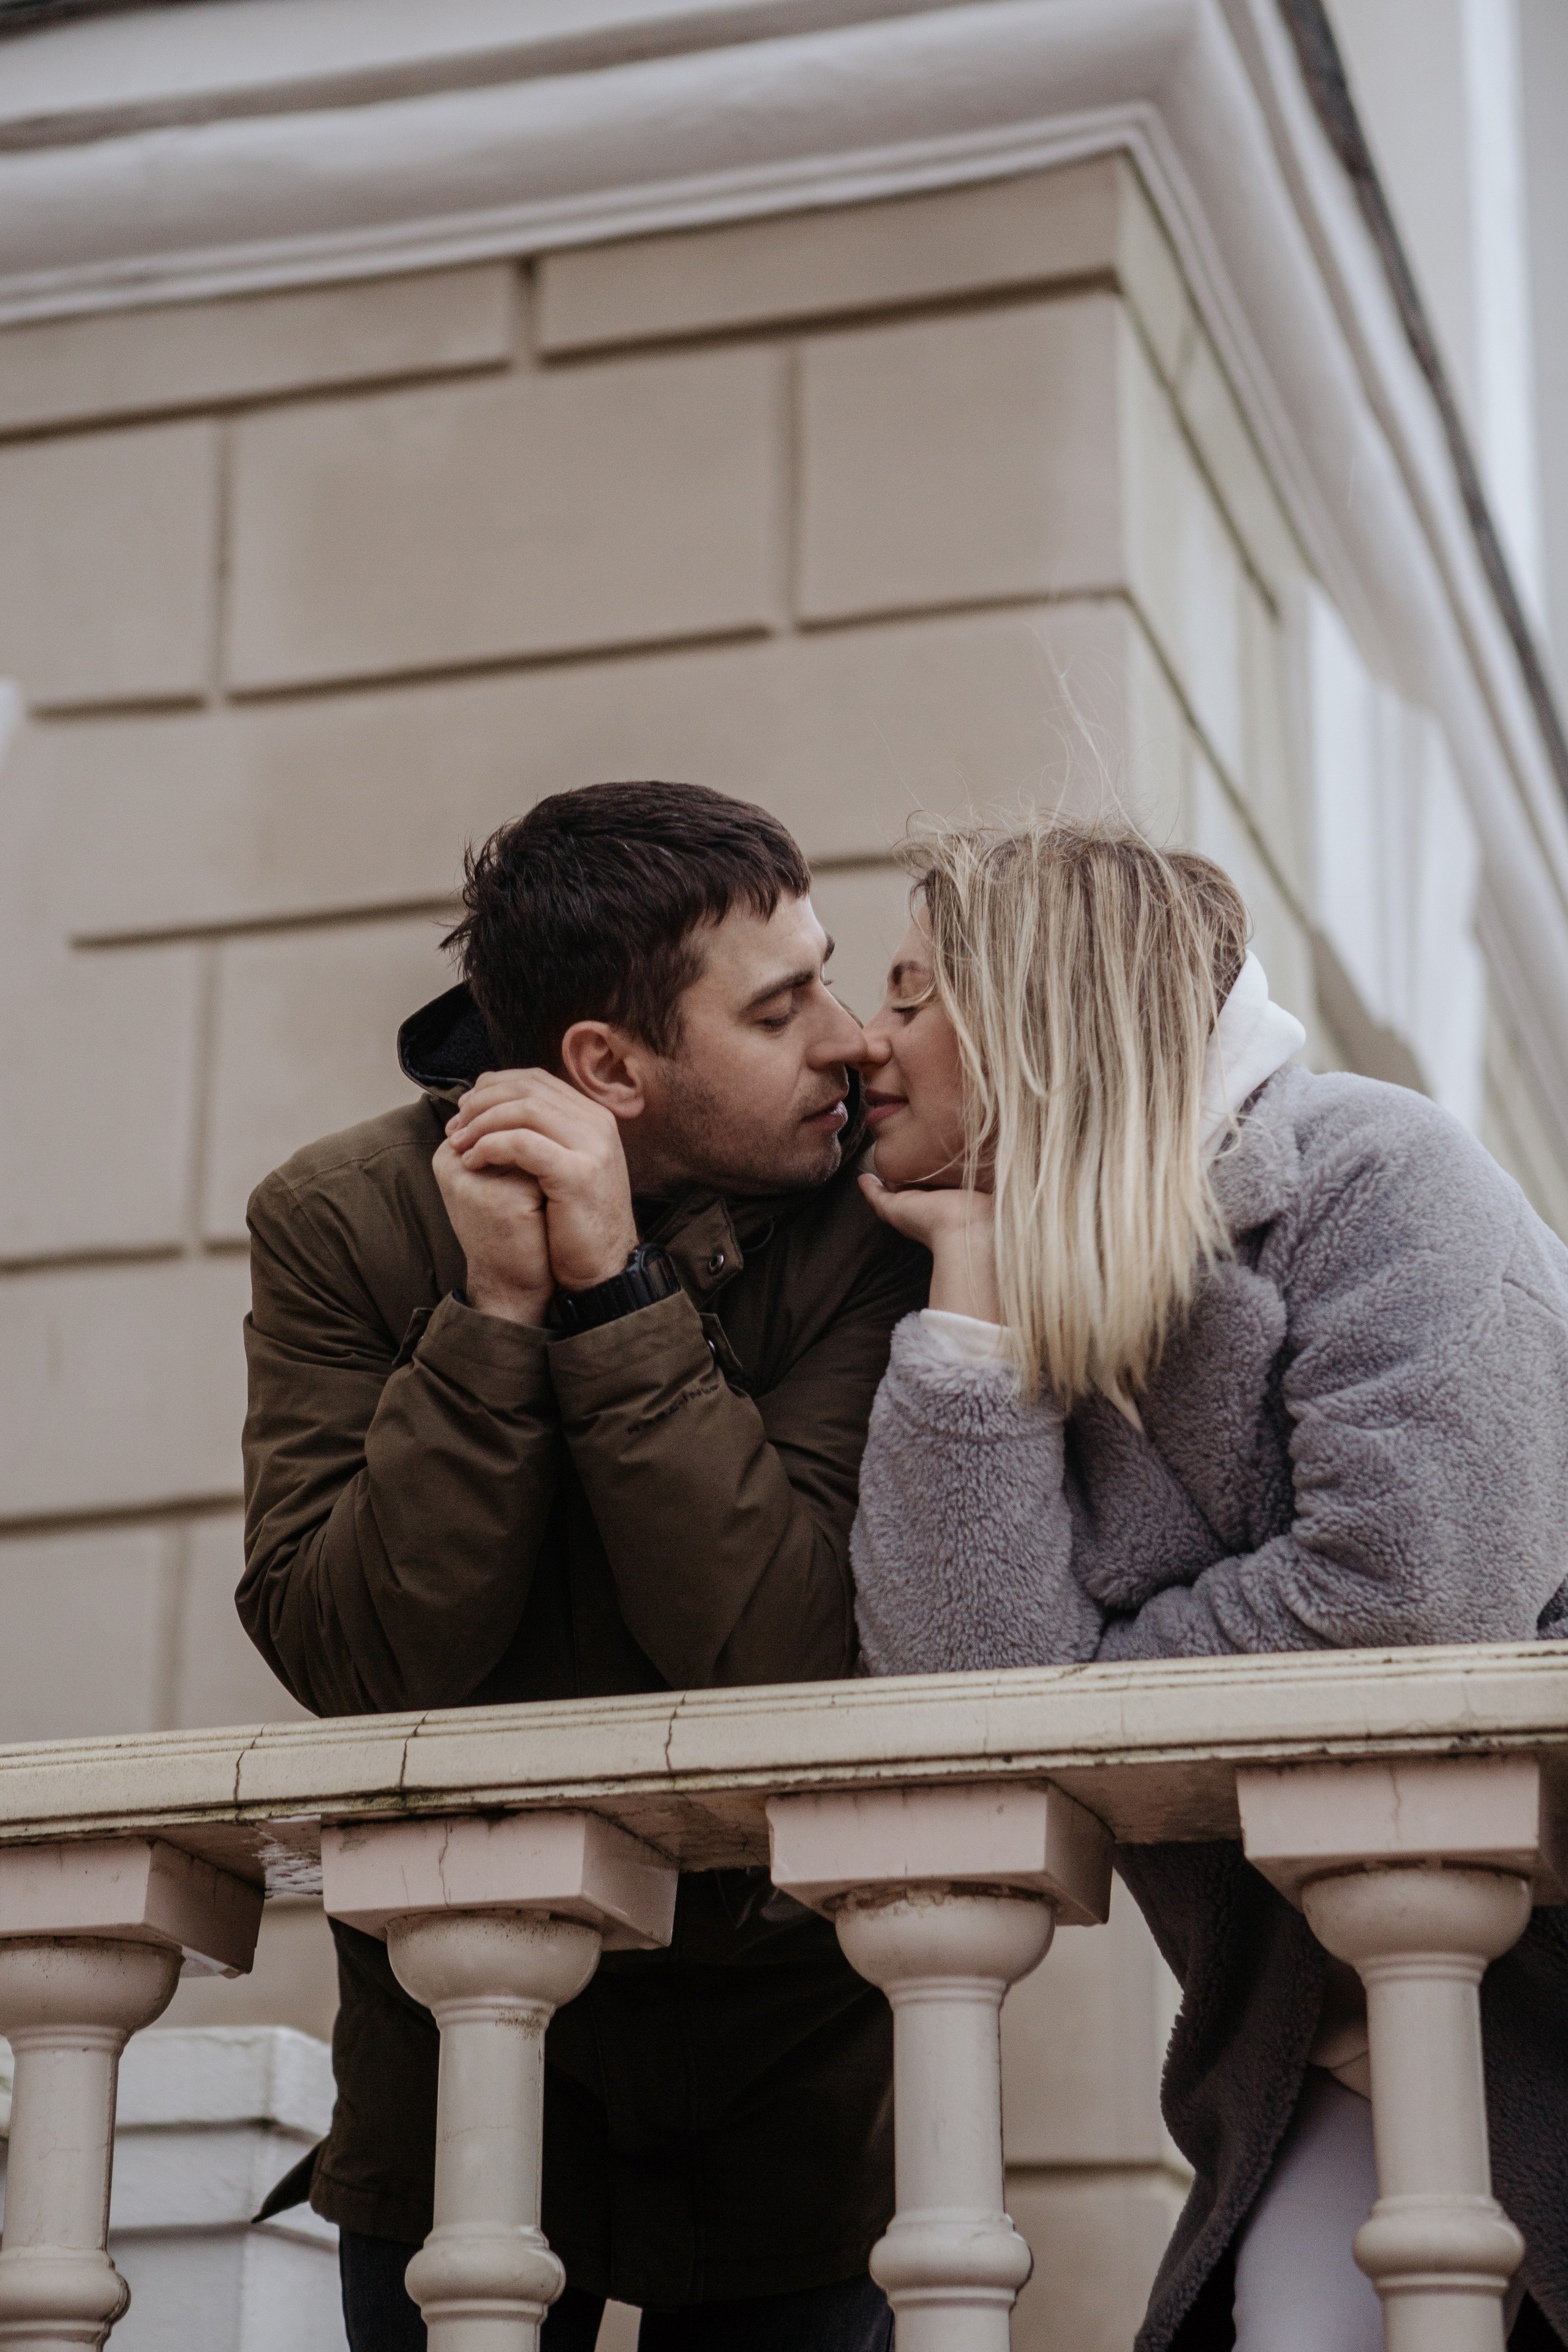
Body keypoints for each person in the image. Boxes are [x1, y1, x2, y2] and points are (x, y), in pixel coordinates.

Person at [846, 814, 1568, 2352]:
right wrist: (967, 1310)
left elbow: (1409, 1604)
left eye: (911, 996)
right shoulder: (1024, 1276)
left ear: (1037, 1006)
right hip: (1316, 2030)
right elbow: (965, 1698)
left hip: (1527, 1990)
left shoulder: (1384, 1181)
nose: (865, 1041)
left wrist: (1096, 1680)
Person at [238, 780, 929, 2351]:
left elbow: (780, 1657)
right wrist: (489, 1314)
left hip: (778, 2046)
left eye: (828, 973)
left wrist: (614, 1295)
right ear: (606, 1067)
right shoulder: (344, 1221)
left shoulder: (870, 1227)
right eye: (778, 1008)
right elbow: (359, 1660)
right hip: (453, 2033)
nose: (847, 1037)